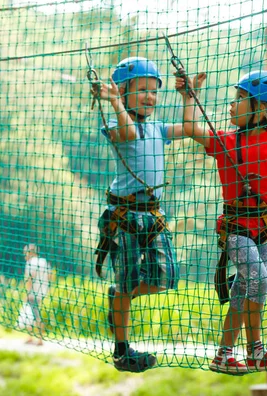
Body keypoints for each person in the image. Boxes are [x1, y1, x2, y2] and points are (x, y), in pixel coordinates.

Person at [177, 69, 267, 375]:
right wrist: (190, 95)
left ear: (263, 109)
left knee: (244, 290)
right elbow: (190, 127)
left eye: (240, 99)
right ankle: (255, 351)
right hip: (237, 227)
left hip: (265, 227)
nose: (231, 104)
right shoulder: (225, 140)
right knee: (260, 280)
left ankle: (224, 355)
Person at [92, 57, 200, 372]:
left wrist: (188, 96)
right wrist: (113, 103)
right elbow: (127, 134)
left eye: (154, 91)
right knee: (127, 281)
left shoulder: (158, 128)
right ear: (124, 92)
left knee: (166, 277)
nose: (150, 97)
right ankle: (122, 350)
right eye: (142, 90)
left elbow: (192, 128)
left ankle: (119, 297)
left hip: (153, 214)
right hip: (124, 215)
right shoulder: (114, 124)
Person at [23, 244, 52, 346]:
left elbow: (29, 279)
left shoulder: (30, 263)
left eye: (25, 253)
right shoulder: (44, 261)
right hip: (42, 291)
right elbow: (50, 275)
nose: (24, 255)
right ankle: (30, 337)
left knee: (34, 315)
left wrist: (27, 292)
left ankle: (39, 339)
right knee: (32, 313)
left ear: (30, 252)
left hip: (33, 292)